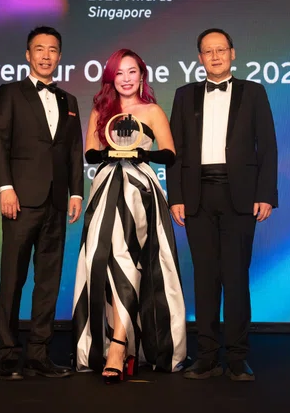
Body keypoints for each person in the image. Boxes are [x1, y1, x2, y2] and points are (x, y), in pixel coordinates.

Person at [166, 28, 278, 382]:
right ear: (199, 58)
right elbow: (176, 152)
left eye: (220, 50)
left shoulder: (253, 92)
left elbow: (268, 146)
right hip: (197, 196)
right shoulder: (185, 96)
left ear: (233, 53)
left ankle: (237, 357)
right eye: (207, 51)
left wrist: (266, 194)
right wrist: (177, 197)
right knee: (205, 278)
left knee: (235, 277)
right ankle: (207, 356)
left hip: (240, 195)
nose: (214, 56)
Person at [71, 48, 187, 384]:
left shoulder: (151, 110)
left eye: (132, 71)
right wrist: (113, 151)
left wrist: (140, 152)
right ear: (111, 77)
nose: (126, 78)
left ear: (141, 75)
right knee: (100, 261)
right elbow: (91, 153)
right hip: (106, 188)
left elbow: (169, 154)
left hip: (141, 191)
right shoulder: (100, 109)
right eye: (119, 73)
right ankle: (117, 343)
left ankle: (119, 347)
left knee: (131, 261)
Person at [0, 26, 84, 380]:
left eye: (52, 49)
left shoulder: (69, 101)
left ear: (59, 56)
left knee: (48, 281)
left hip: (57, 202)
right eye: (39, 49)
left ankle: (39, 354)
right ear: (28, 55)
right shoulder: (10, 93)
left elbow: (73, 151)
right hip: (21, 199)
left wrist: (76, 192)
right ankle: (9, 353)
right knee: (13, 277)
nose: (46, 55)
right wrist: (5, 188)